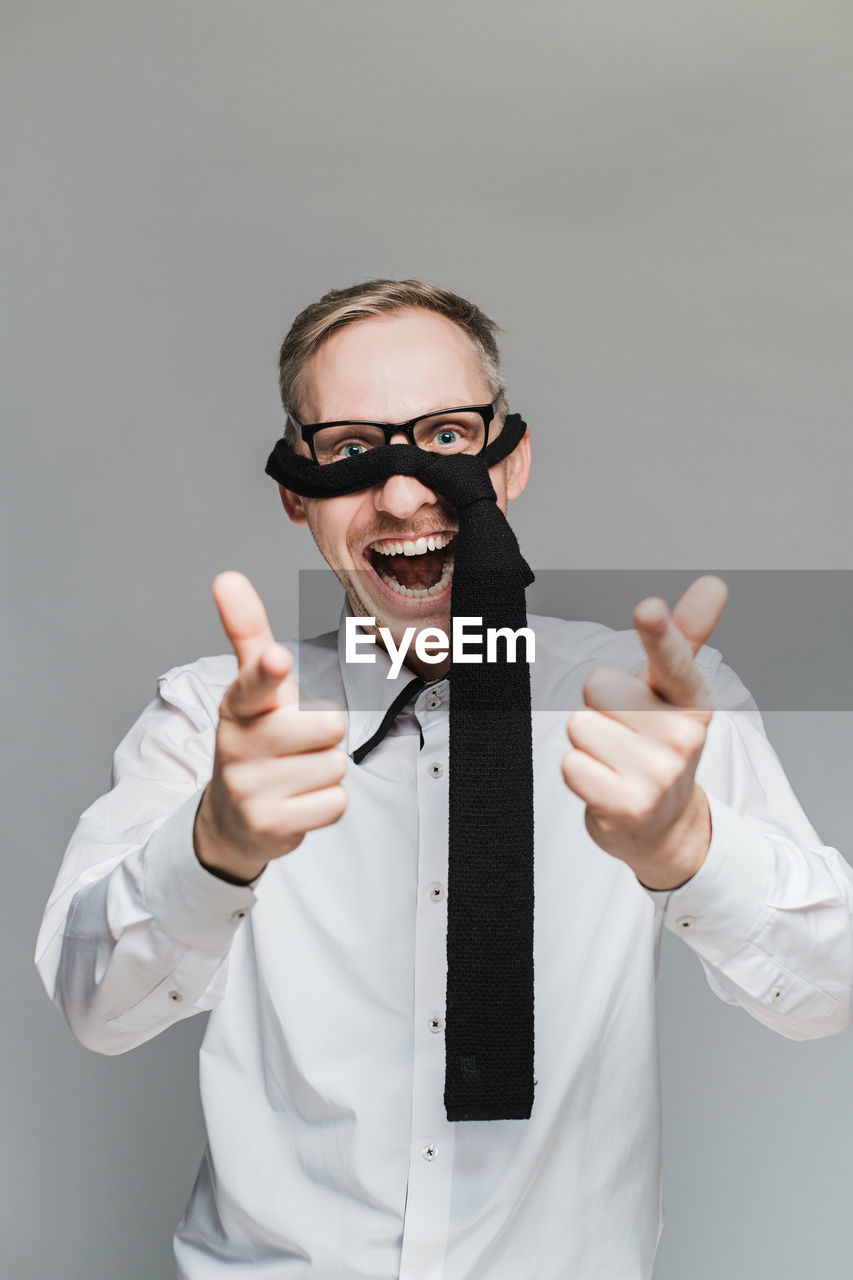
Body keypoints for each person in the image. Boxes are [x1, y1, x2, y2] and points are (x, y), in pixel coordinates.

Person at [36, 280, 853, 1279]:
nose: (404, 494)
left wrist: (691, 853)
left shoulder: (654, 711)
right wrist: (214, 850)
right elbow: (94, 1003)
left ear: (508, 465)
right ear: (296, 490)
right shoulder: (214, 720)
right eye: (350, 452)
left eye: (446, 438)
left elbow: (830, 991)